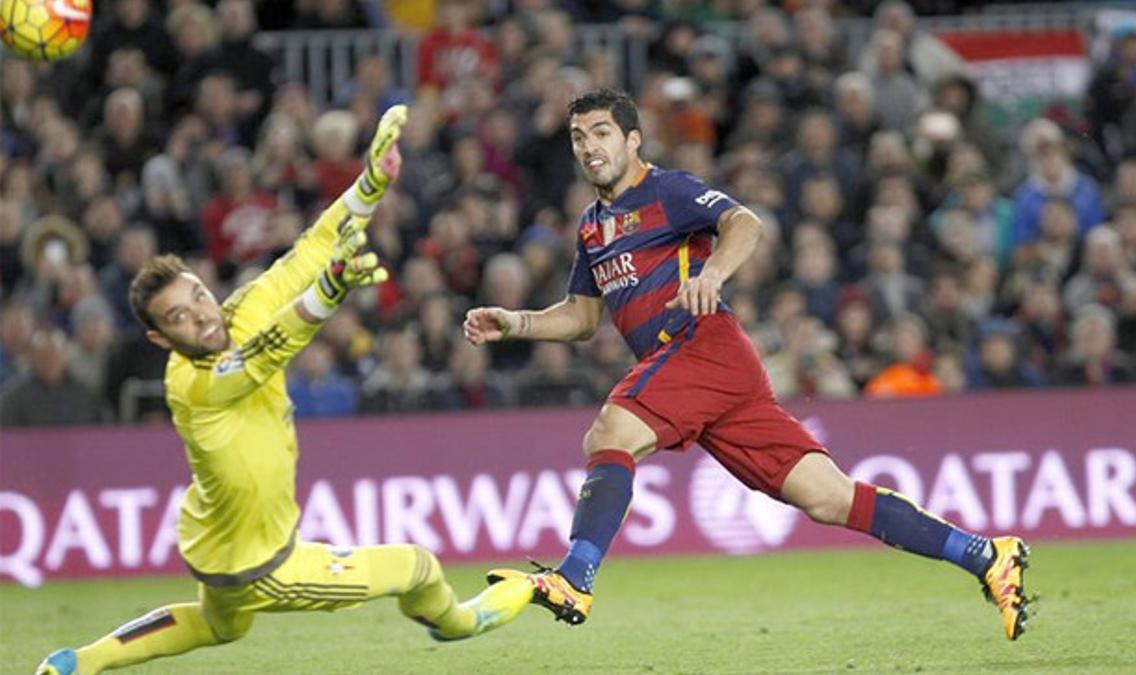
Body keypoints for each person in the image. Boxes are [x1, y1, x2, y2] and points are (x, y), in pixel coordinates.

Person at [463, 89, 1032, 641]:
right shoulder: (592, 226)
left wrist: (711, 274)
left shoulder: (667, 189)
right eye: (578, 136)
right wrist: (515, 322)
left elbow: (745, 224)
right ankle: (986, 555)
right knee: (828, 498)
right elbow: (583, 319)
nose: (589, 145)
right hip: (704, 374)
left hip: (700, 344)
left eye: (602, 132)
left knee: (610, 431)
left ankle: (574, 578)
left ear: (633, 140)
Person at [37, 108, 531, 675]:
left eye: (197, 296)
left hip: (213, 541)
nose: (199, 317)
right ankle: (464, 622)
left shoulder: (238, 309)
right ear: (159, 337)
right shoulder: (190, 382)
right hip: (261, 562)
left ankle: (75, 662)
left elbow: (308, 252)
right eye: (177, 317)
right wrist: (327, 292)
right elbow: (266, 352)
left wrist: (369, 185)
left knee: (223, 625)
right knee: (417, 566)